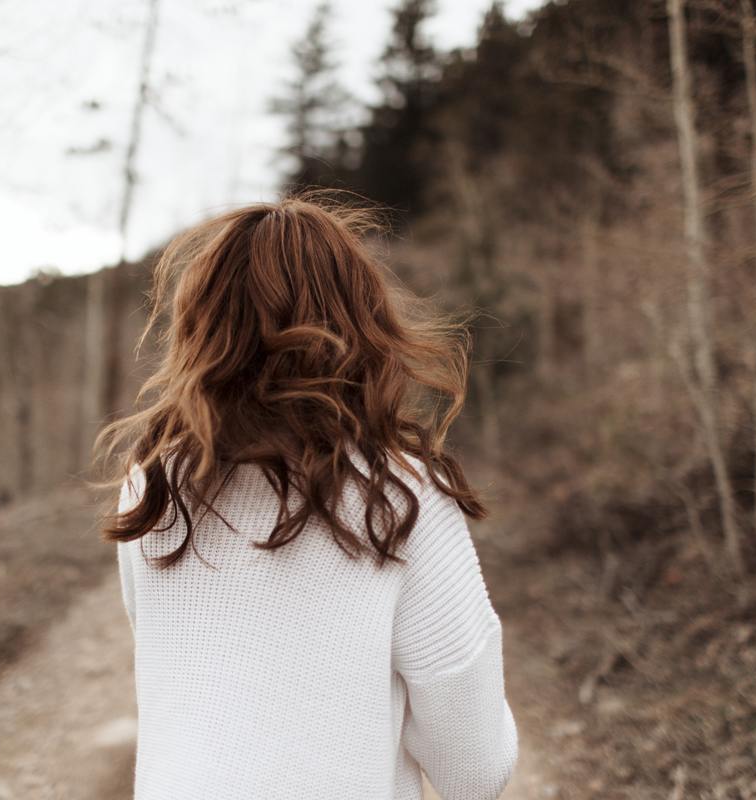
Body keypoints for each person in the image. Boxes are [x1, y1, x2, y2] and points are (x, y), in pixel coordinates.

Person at [96, 196, 517, 800]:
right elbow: (474, 768)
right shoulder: (399, 495)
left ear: (203, 329)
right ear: (361, 321)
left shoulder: (153, 486)